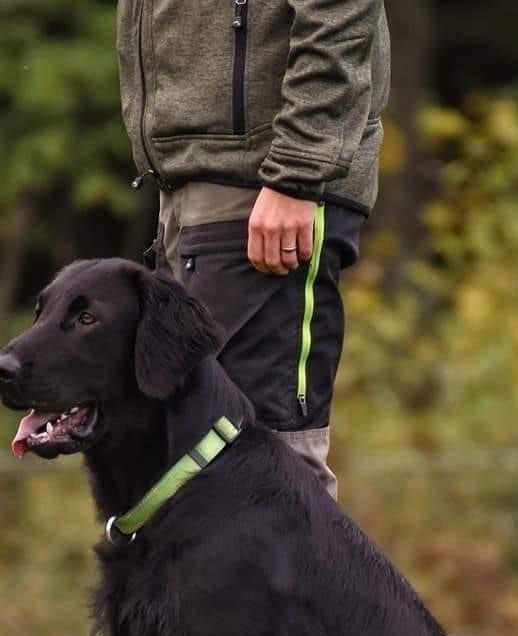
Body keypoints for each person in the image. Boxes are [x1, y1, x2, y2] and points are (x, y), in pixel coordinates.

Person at [115, 0, 390, 497]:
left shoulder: (286, 176)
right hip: (191, 182)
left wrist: (297, 170)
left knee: (269, 479)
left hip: (267, 185)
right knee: (193, 478)